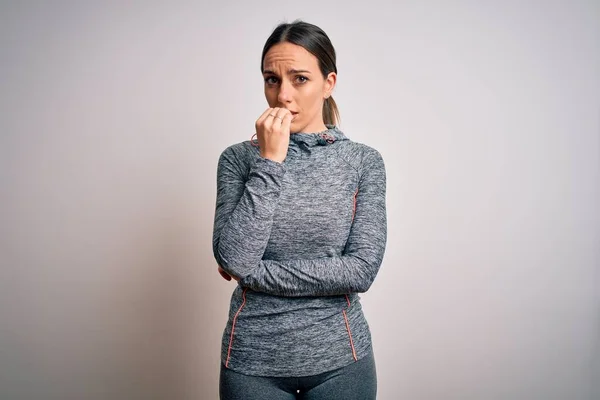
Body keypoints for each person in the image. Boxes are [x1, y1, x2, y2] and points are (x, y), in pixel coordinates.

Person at [212, 20, 387, 400]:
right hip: (251, 363)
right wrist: (270, 161)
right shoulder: (239, 160)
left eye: (300, 79)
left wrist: (254, 273)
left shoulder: (362, 162)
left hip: (342, 361)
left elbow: (360, 270)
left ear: (329, 83)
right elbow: (235, 256)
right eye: (271, 79)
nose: (282, 95)